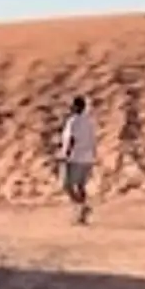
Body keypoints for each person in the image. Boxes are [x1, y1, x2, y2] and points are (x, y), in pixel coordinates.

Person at [55, 93, 100, 222]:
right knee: (80, 186)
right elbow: (93, 139)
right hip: (88, 158)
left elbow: (72, 139)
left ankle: (82, 207)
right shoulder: (90, 121)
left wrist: (66, 155)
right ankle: (82, 214)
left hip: (75, 157)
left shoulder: (73, 121)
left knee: (67, 185)